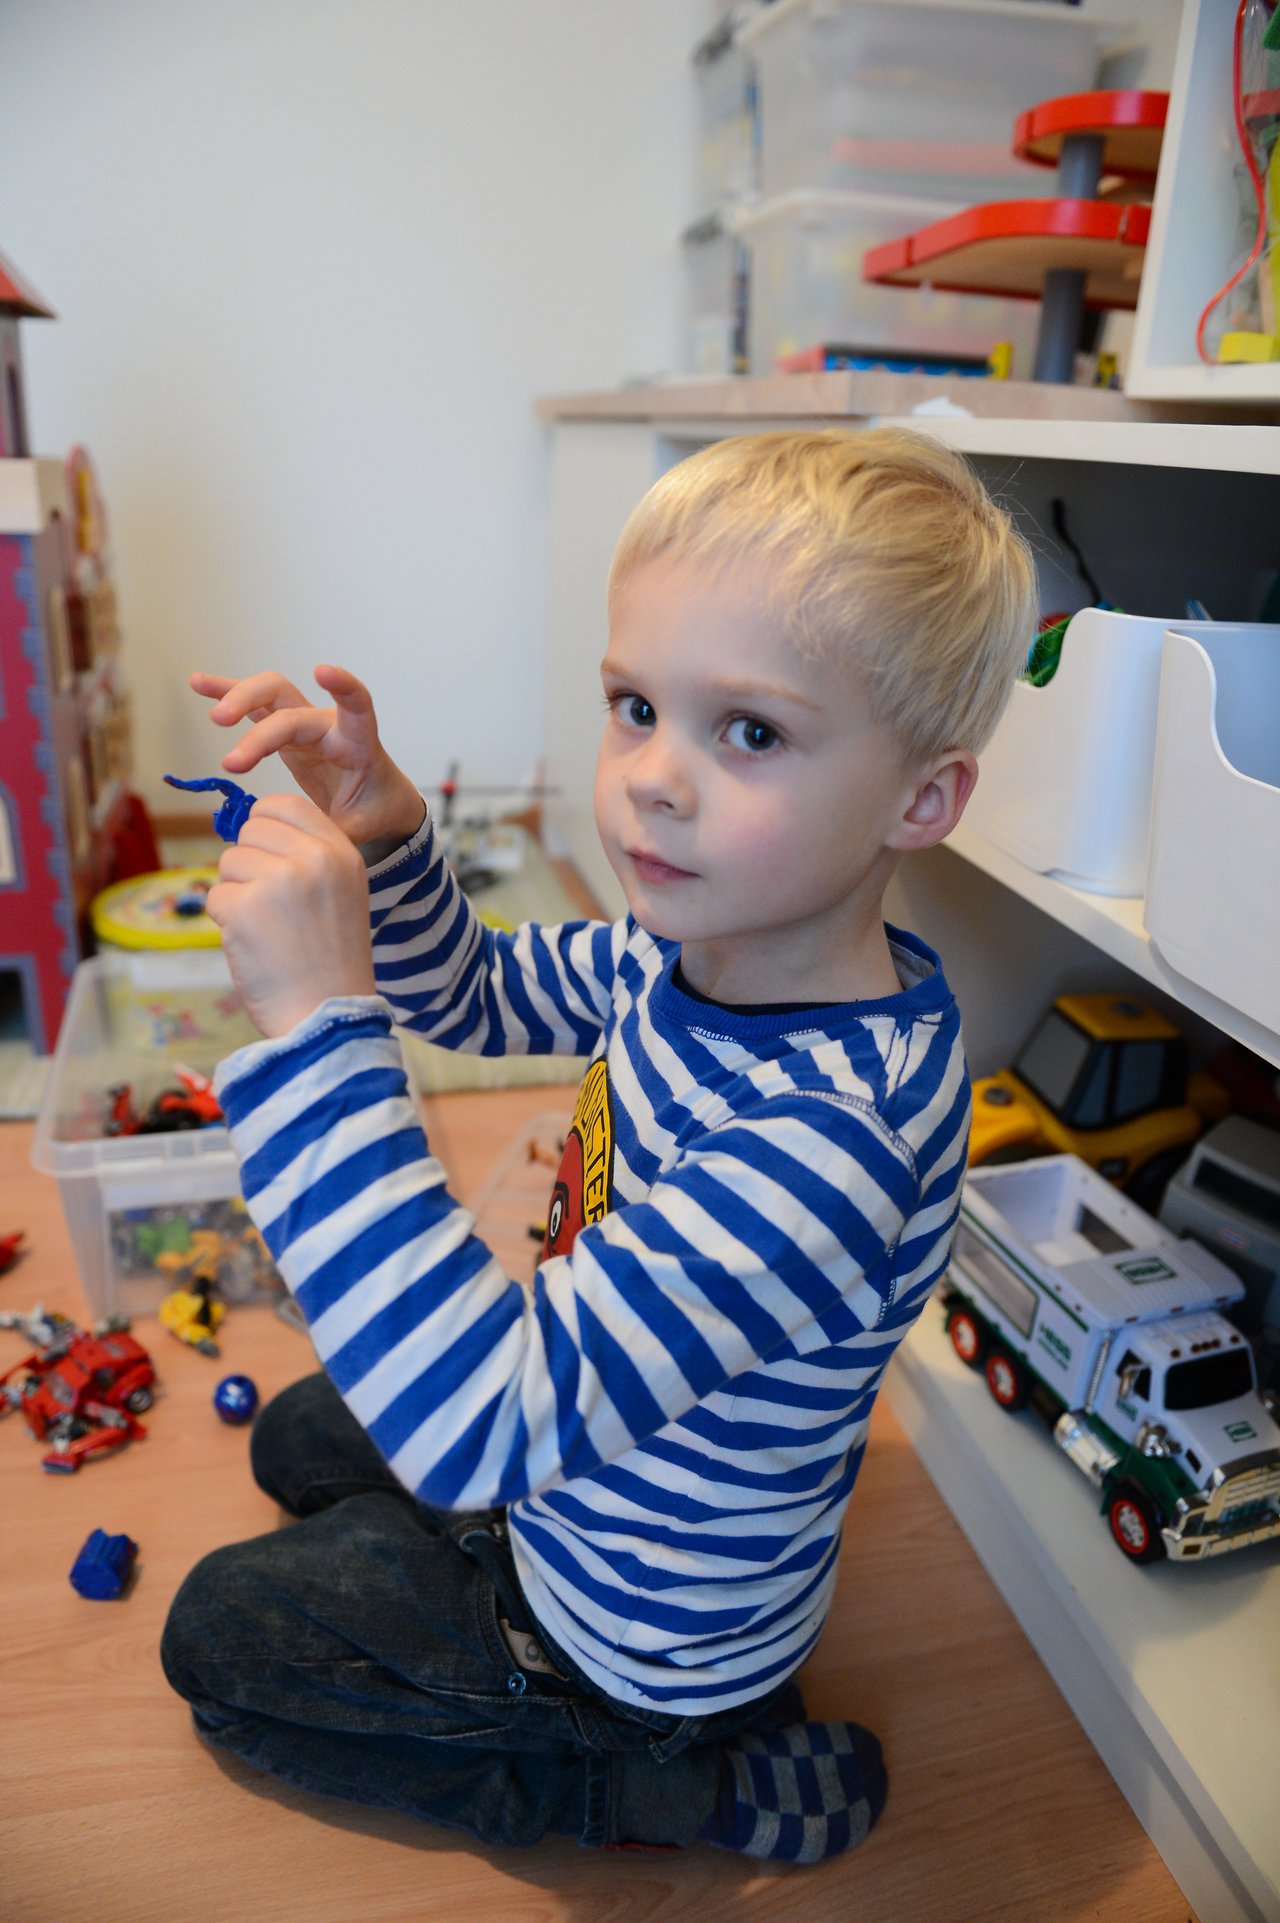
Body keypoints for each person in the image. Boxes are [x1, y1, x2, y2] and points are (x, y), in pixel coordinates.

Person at [160, 427, 1037, 1863]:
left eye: (747, 731)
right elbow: (481, 991)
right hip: (579, 1452)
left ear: (922, 799)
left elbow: (476, 1425)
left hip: (637, 1634)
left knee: (220, 1642)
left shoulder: (829, 1145)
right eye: (635, 706)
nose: (652, 780)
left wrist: (318, 1026)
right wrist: (386, 835)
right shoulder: (689, 946)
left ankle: (663, 1783)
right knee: (313, 1437)